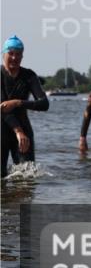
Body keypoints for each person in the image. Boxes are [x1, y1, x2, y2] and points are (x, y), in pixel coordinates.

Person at [1, 36, 49, 178]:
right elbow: (2, 108)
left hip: (24, 131)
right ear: (3, 54)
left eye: (18, 54)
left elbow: (44, 103)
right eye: (11, 53)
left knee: (27, 177)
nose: (14, 58)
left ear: (22, 56)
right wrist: (18, 131)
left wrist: (18, 102)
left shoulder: (29, 76)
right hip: (2, 130)